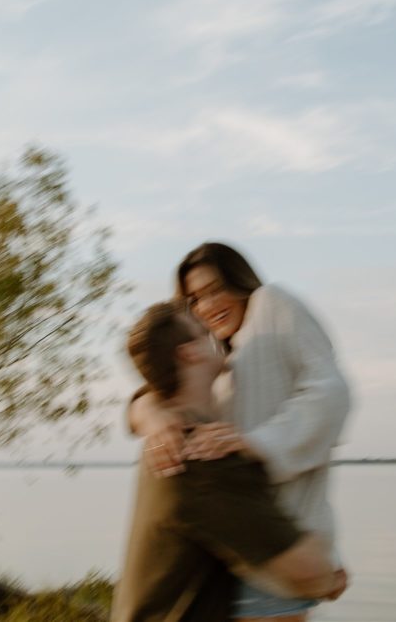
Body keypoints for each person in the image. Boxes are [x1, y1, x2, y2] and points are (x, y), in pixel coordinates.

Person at [129, 242, 352, 620]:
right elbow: (151, 392)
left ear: (241, 281)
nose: (207, 306)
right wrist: (154, 416)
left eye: (215, 289)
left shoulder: (272, 305)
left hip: (282, 550)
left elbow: (330, 394)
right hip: (240, 558)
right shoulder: (220, 361)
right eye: (195, 299)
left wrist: (259, 444)